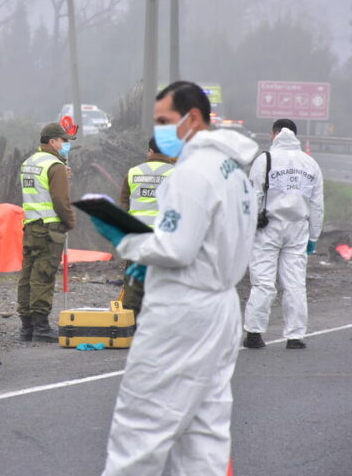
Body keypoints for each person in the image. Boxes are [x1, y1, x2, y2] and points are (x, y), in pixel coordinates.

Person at [91, 81, 258, 475]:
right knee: (203, 433)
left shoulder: (191, 173)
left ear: (193, 117)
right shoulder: (233, 170)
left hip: (182, 309)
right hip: (220, 306)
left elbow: (175, 249)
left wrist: (127, 241)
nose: (160, 130)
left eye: (165, 121)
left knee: (140, 428)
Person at [243, 119, 324, 350]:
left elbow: (254, 196)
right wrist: (314, 237)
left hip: (267, 229)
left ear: (274, 133)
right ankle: (295, 336)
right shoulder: (310, 163)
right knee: (295, 284)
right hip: (298, 230)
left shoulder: (265, 159)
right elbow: (317, 205)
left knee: (263, 283)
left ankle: (254, 334)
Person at [17, 122, 76, 342]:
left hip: (31, 225)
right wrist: (69, 221)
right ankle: (41, 328)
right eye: (64, 140)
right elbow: (60, 200)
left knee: (27, 275)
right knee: (43, 275)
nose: (66, 144)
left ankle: (27, 327)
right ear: (52, 142)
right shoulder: (55, 166)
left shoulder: (29, 162)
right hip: (50, 227)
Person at [118, 137, 176, 316]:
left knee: (134, 282)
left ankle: (132, 322)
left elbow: (124, 204)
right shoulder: (177, 173)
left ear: (150, 151)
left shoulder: (133, 172)